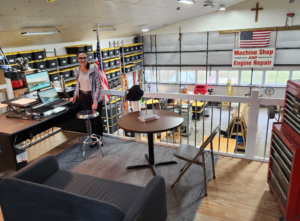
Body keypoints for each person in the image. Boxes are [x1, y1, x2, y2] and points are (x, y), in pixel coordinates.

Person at [70, 51, 103, 146]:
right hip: (83, 97)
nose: (82, 60)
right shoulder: (76, 70)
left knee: (97, 119)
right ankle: (93, 139)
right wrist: (75, 95)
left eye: (84, 58)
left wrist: (95, 101)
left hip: (94, 97)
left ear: (87, 58)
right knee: (90, 120)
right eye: (80, 58)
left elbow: (98, 85)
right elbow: (78, 85)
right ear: (77, 59)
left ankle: (99, 138)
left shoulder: (93, 69)